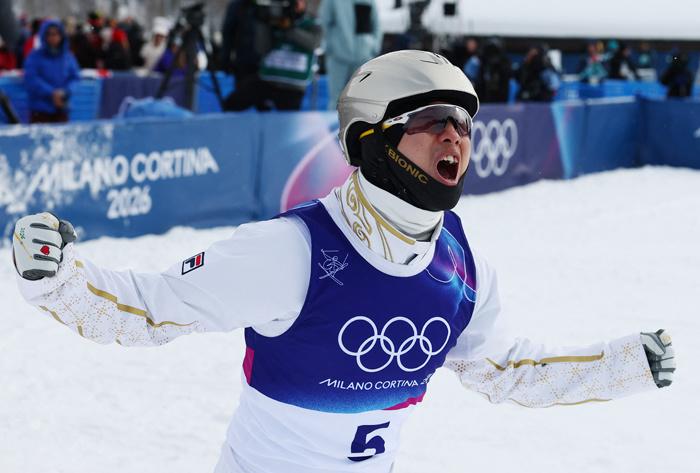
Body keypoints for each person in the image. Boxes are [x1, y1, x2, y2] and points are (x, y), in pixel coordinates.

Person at [12, 50, 675, 473]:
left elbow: (506, 370)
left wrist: (625, 364)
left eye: (464, 124)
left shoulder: (461, 265)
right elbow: (149, 308)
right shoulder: (290, 250)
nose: (455, 135)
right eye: (433, 120)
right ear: (371, 140)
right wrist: (56, 278)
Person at [222, 0, 322, 112]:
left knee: (287, 117)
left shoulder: (311, 23)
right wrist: (262, 23)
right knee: (232, 104)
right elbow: (262, 48)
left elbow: (314, 43)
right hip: (268, 79)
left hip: (293, 84)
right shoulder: (274, 20)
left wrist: (289, 29)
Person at [319, 0, 382, 109]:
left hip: (363, 58)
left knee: (362, 99)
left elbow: (376, 24)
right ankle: (335, 120)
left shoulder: (369, 1)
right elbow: (324, 22)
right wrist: (329, 48)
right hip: (338, 58)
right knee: (336, 99)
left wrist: (373, 47)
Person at [23, 19, 80, 124]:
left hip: (62, 108)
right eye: (49, 34)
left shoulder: (68, 57)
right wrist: (51, 93)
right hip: (40, 110)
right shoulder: (35, 56)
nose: (52, 37)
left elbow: (74, 78)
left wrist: (65, 92)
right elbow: (31, 78)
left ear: (61, 35)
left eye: (56, 34)